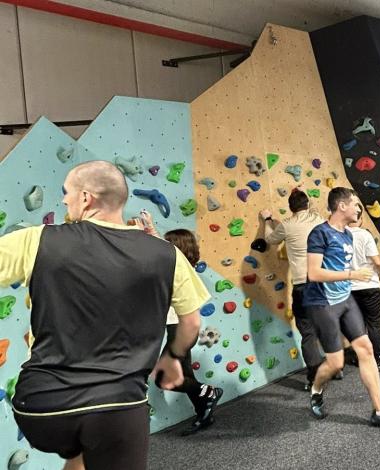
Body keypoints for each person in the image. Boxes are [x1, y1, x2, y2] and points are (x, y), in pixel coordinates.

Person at [2, 161, 208, 470]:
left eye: (67, 192)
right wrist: (173, 356)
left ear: (86, 198)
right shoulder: (166, 254)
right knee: (101, 438)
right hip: (117, 407)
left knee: (82, 453)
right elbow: (191, 322)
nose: (63, 200)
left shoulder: (37, 240)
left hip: (40, 407)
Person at [304, 187, 380, 429]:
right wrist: (352, 274)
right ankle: (317, 388)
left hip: (345, 299)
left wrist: (353, 278)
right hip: (322, 303)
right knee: (336, 363)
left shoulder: (349, 235)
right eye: (355, 204)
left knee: (366, 349)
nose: (359, 209)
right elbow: (314, 273)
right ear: (341, 206)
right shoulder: (319, 234)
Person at [135, 212, 223, 436]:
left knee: (164, 378)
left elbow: (163, 252)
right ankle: (204, 413)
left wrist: (148, 233)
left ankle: (209, 391)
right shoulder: (179, 266)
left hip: (181, 331)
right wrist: (149, 231)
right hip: (180, 329)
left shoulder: (178, 266)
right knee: (186, 376)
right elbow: (162, 251)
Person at [261, 190, 326, 390]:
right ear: (307, 204)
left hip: (302, 284)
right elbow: (311, 209)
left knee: (307, 332)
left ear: (291, 208)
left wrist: (267, 220)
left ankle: (315, 378)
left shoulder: (288, 225)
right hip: (323, 282)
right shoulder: (318, 219)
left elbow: (271, 239)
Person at [348, 203, 380, 370]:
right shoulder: (364, 235)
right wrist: (379, 271)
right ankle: (377, 359)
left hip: (350, 288)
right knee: (375, 323)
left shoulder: (340, 236)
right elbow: (377, 261)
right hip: (369, 286)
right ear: (361, 219)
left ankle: (359, 357)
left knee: (358, 325)